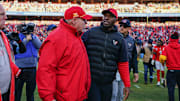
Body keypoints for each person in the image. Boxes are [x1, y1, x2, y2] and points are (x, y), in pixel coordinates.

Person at [36, 6, 92, 101]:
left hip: (78, 95)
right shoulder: (57, 38)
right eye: (84, 20)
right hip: (65, 97)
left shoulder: (75, 35)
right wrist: (48, 97)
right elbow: (46, 69)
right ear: (74, 20)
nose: (86, 23)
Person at [82, 8, 130, 101]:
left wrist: (127, 84)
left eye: (110, 16)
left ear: (116, 20)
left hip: (108, 83)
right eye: (105, 16)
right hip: (91, 81)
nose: (106, 18)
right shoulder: (91, 33)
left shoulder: (119, 38)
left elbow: (123, 63)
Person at [15, 23, 42, 101]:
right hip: (20, 67)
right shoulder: (17, 37)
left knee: (30, 93)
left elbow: (39, 46)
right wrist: (26, 39)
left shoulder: (33, 37)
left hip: (32, 67)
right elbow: (18, 49)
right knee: (17, 92)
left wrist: (32, 37)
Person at [0, 4, 21, 101]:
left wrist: (16, 70)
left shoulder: (2, 35)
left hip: (6, 93)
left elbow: (5, 59)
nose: (6, 17)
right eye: (2, 14)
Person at [160, 32, 180, 101]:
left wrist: (164, 63)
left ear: (170, 39)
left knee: (171, 89)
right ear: (178, 39)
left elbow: (162, 58)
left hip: (171, 70)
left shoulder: (167, 47)